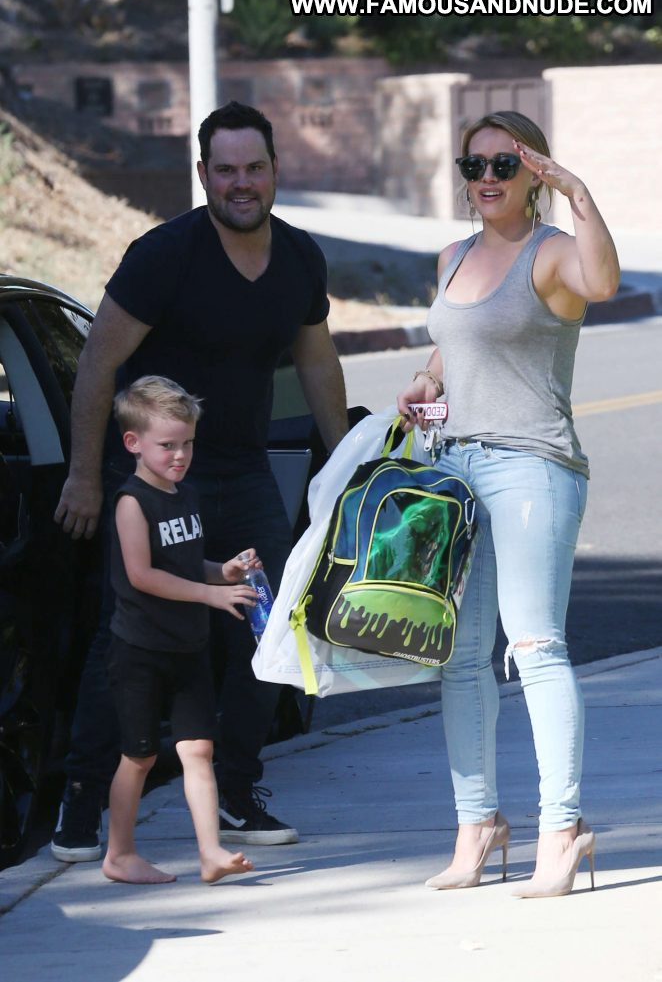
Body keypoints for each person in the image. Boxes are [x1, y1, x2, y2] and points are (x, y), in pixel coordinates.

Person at [51, 100, 348, 863]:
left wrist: (345, 462)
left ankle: (238, 790)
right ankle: (81, 802)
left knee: (271, 622)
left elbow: (316, 360)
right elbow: (97, 362)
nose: (241, 182)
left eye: (255, 168)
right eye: (226, 170)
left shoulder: (299, 258)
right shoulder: (164, 255)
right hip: (155, 479)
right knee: (131, 637)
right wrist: (86, 474)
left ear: (275, 170)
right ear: (203, 175)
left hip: (243, 470)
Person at [396, 110, 619, 898]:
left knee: (534, 646)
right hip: (455, 470)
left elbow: (604, 282)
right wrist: (428, 380)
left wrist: (578, 193)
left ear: (532, 172)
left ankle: (562, 829)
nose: (486, 178)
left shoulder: (552, 252)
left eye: (504, 163)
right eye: (474, 165)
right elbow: (458, 340)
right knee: (459, 657)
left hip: (533, 470)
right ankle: (477, 826)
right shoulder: (453, 256)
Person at [103, 376, 256, 885]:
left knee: (198, 749)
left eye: (187, 443)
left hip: (188, 646)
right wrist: (211, 596)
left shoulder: (185, 495)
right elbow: (143, 575)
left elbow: (187, 565)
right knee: (139, 755)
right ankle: (119, 854)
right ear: (133, 442)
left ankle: (211, 853)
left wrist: (223, 573)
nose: (180, 455)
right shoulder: (132, 502)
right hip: (140, 650)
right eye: (167, 445)